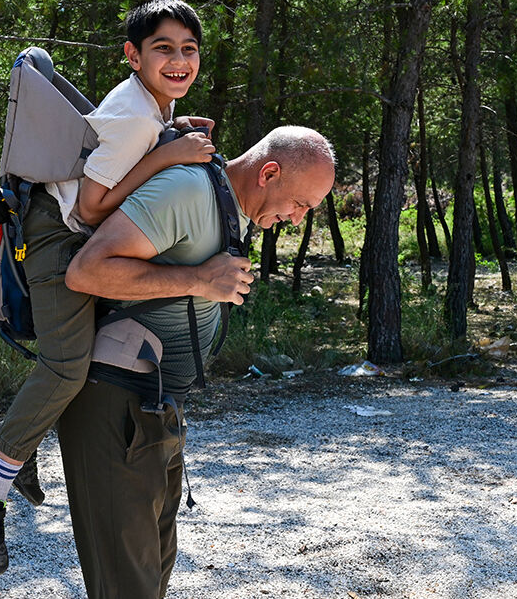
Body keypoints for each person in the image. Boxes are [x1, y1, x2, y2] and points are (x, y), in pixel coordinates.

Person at [0, 0, 216, 576]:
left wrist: (170, 136)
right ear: (132, 55)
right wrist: (167, 153)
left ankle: (18, 441)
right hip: (56, 234)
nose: (178, 61)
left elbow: (121, 155)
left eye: (188, 50)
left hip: (65, 226)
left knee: (80, 361)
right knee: (67, 366)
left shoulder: (150, 109)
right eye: (162, 49)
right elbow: (94, 205)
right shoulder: (140, 117)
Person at [60, 125, 336, 599]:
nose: (296, 219)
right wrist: (197, 281)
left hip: (156, 408)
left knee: (152, 576)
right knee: (128, 587)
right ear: (269, 173)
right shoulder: (188, 190)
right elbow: (87, 271)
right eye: (301, 205)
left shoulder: (230, 209)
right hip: (115, 405)